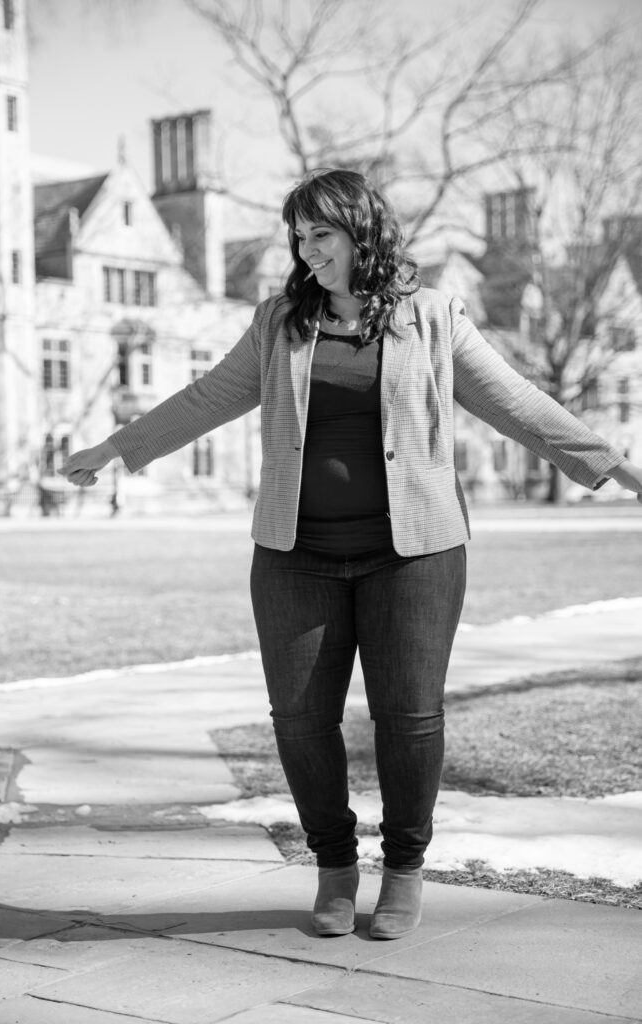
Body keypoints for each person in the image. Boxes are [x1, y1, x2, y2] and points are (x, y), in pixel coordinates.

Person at [59, 168, 642, 940]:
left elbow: (512, 400)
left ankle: (403, 869)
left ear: (361, 232)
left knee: (408, 718)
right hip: (295, 555)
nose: (306, 252)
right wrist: (114, 448)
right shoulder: (279, 323)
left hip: (414, 556)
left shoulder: (433, 316)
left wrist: (608, 462)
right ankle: (335, 866)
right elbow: (206, 397)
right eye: (298, 238)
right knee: (299, 720)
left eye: (320, 235)